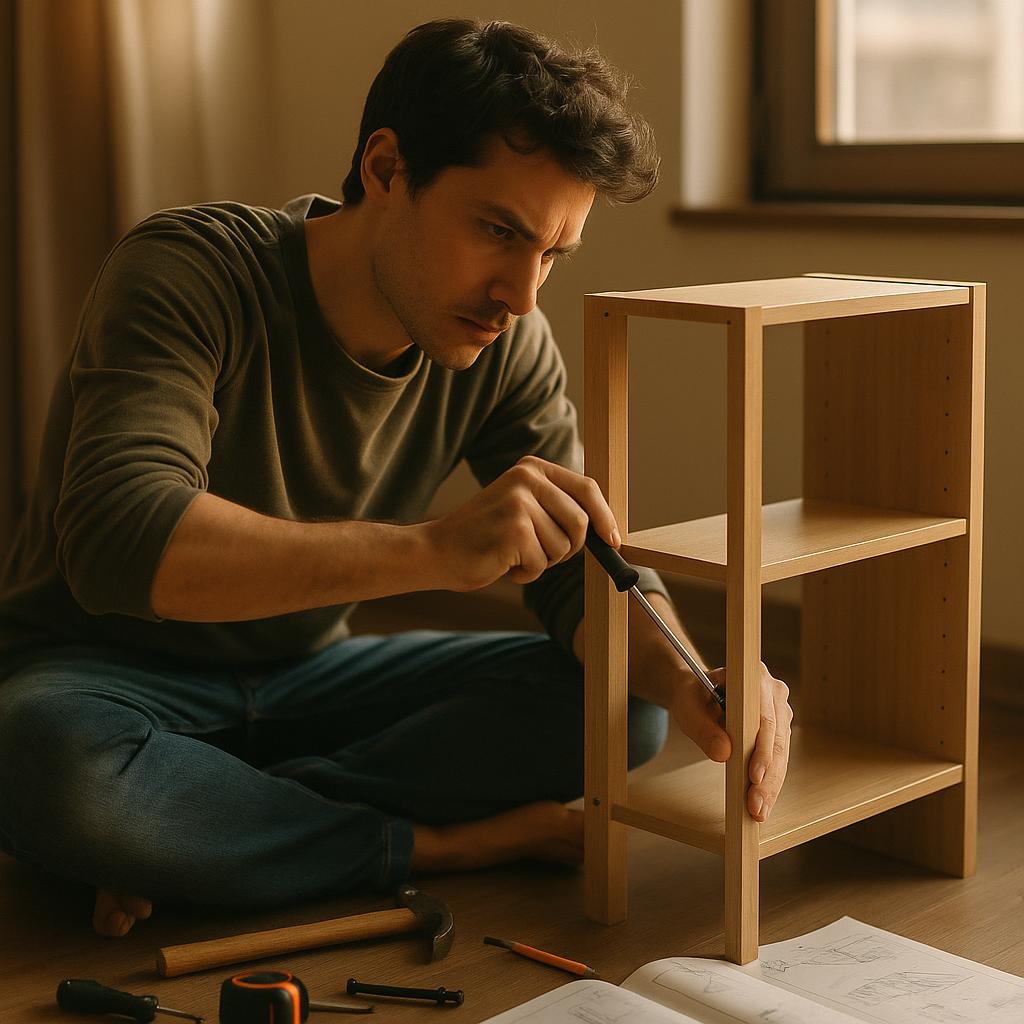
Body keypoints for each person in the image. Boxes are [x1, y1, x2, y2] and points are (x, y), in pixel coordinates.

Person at [0, 18, 793, 940]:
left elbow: (584, 564)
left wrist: (693, 675)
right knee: (43, 761)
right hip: (96, 681)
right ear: (385, 170)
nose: (522, 295)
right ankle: (426, 845)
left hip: (307, 682)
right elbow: (120, 542)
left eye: (552, 255)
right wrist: (431, 551)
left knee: (624, 710)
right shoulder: (191, 270)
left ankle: (214, 826)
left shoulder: (507, 343)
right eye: (498, 231)